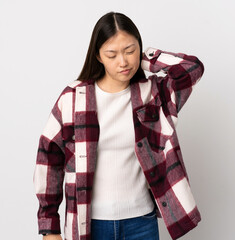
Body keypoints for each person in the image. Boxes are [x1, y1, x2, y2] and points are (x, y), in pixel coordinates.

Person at [34, 12, 204, 240]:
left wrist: (146, 59)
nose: (123, 62)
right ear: (98, 56)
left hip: (141, 224)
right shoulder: (73, 98)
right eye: (112, 54)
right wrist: (50, 228)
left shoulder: (153, 94)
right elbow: (49, 159)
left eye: (130, 51)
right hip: (90, 226)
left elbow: (192, 69)